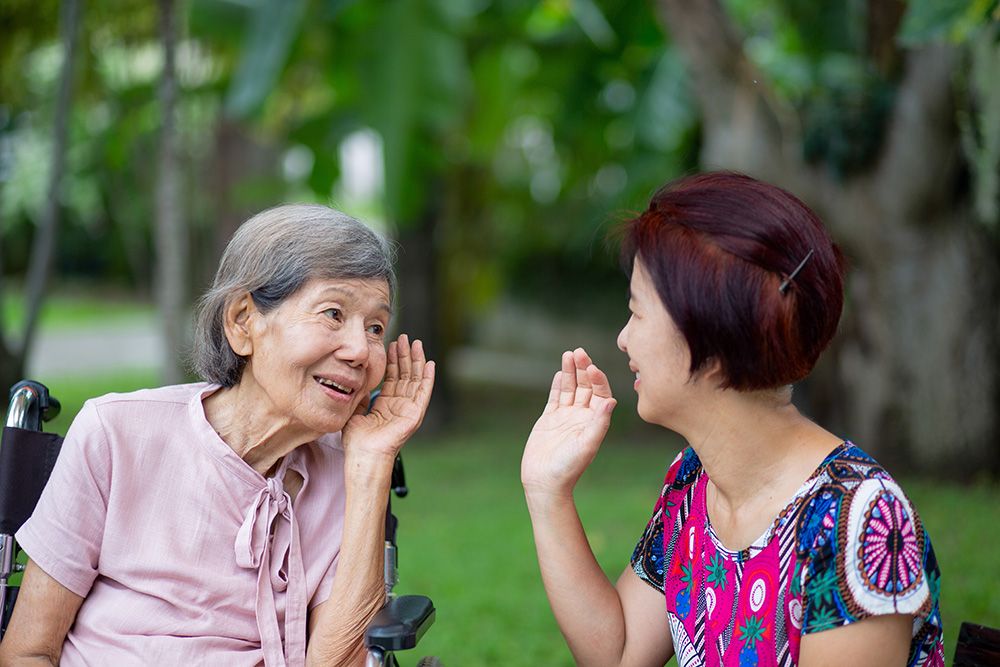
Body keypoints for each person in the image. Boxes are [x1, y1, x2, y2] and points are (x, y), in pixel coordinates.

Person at [520, 172, 944, 667]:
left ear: (711, 340)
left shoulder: (858, 520)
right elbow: (619, 653)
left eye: (637, 313)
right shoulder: (693, 481)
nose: (623, 339)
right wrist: (547, 492)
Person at [0, 205, 435, 666]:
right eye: (333, 313)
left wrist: (370, 466)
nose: (359, 351)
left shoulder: (345, 476)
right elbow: (27, 651)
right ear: (243, 321)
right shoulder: (116, 435)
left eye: (374, 327)